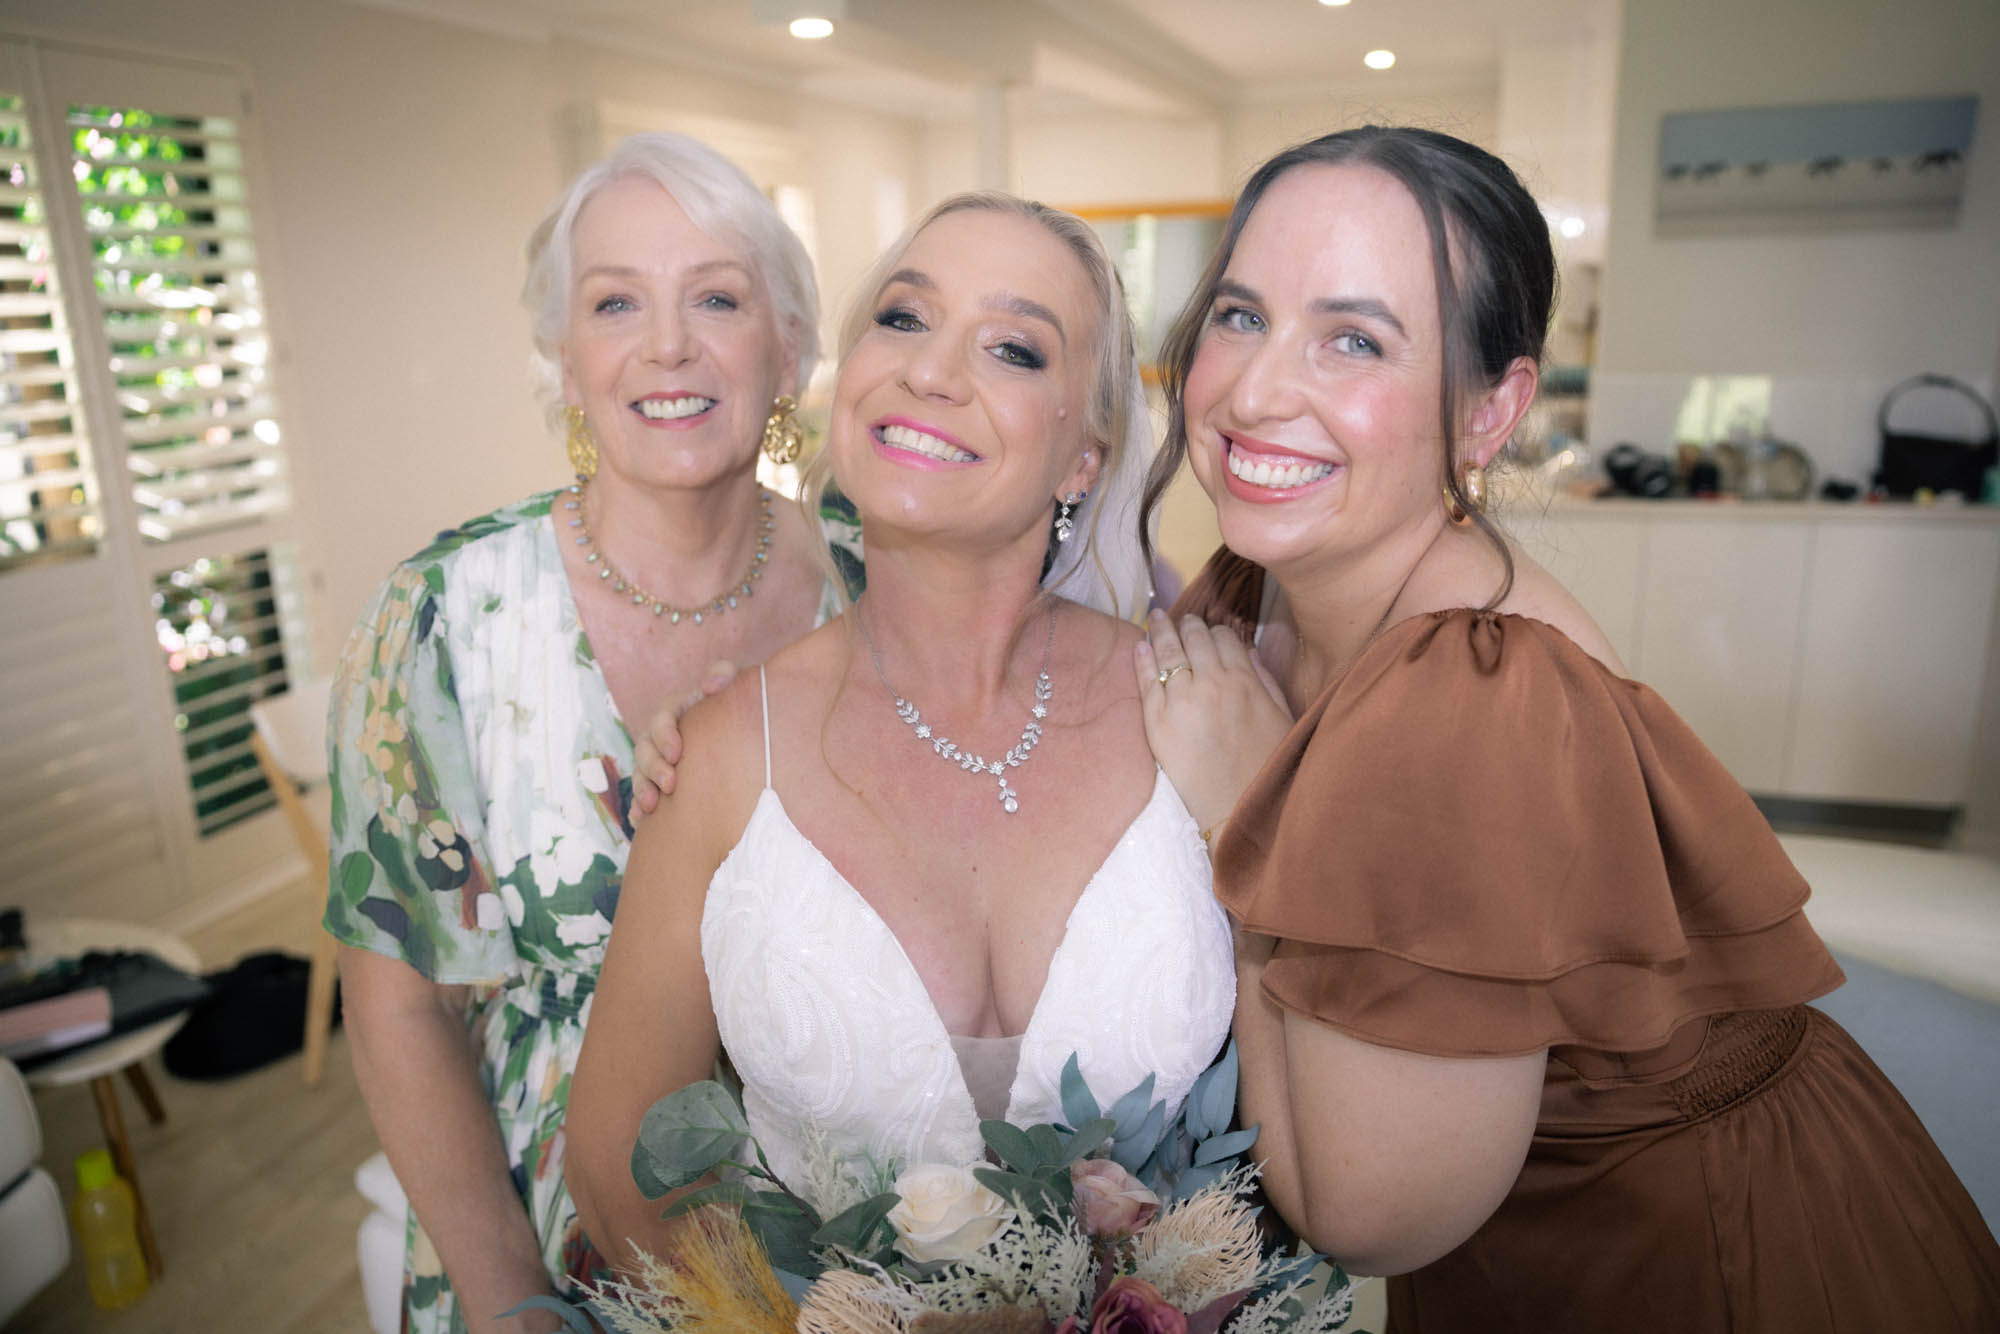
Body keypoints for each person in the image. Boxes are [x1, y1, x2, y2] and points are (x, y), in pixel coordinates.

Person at [1133, 126, 2000, 1332]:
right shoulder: (1254, 577)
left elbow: (1369, 1212)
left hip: (1683, 1254)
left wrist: (1242, 816)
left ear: (1488, 410)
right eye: (1239, 315)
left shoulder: (1467, 700)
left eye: (1353, 338)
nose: (1252, 391)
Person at [565, 192, 1235, 1271]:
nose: (929, 370)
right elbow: (619, 1175)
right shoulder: (724, 752)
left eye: (1013, 348)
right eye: (904, 317)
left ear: (1084, 457)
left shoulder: (1199, 712)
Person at [324, 132, 864, 1334]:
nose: (666, 344)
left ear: (788, 347)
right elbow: (403, 1006)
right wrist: (509, 1293)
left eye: (714, 298)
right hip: (553, 1237)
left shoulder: (874, 584)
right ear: (564, 360)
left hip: (853, 1224)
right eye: (616, 302)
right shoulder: (442, 615)